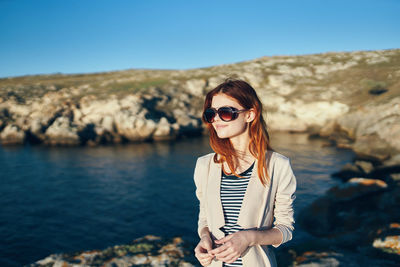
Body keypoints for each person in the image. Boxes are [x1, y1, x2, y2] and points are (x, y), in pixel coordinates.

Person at [193, 79, 297, 267]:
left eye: (225, 112)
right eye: (211, 114)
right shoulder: (204, 165)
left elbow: (285, 229)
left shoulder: (278, 165)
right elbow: (205, 218)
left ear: (250, 115)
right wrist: (204, 239)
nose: (216, 119)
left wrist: (248, 238)